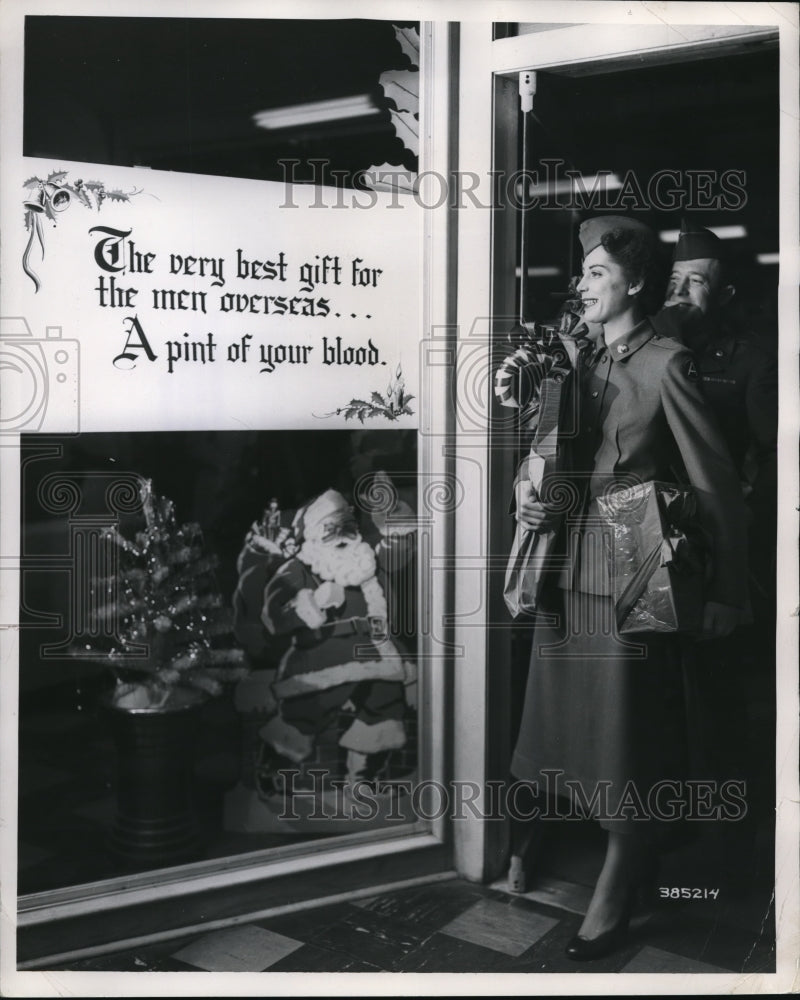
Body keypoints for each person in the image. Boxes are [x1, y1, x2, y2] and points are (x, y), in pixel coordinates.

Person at [508, 215, 748, 961]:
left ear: (636, 283)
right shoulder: (571, 362)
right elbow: (542, 457)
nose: (582, 285)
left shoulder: (667, 364)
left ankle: (618, 881)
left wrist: (726, 592)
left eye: (598, 274)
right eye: (582, 274)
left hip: (634, 550)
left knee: (625, 734)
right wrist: (523, 485)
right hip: (566, 556)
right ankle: (573, 851)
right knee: (565, 723)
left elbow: (715, 489)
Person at [259, 487, 417, 786]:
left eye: (347, 524)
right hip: (320, 656)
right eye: (331, 528)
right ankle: (272, 776)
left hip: (376, 654)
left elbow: (397, 556)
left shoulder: (367, 563)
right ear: (315, 533)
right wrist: (313, 602)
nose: (342, 534)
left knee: (383, 714)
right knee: (302, 719)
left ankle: (362, 781)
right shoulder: (300, 569)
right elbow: (273, 616)